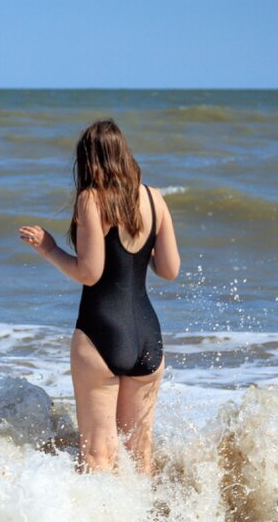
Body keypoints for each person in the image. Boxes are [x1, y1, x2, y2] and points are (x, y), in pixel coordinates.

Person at [19, 119, 180, 474]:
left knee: (97, 456)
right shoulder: (155, 199)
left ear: (89, 161)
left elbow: (89, 272)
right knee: (140, 456)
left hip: (101, 333)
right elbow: (169, 269)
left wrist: (49, 249)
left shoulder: (91, 198)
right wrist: (139, 249)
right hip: (148, 338)